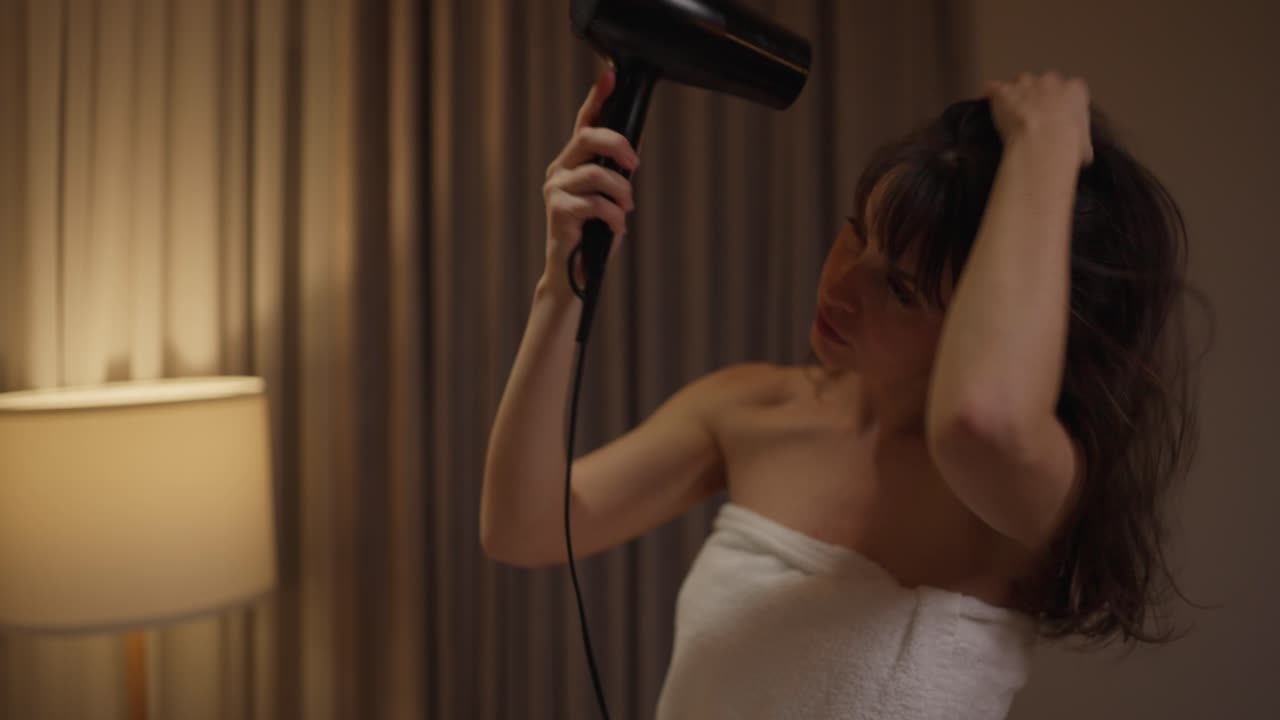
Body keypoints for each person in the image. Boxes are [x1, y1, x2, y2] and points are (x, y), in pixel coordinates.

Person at [481, 68, 1202, 718]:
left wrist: (1045, 141)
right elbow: (523, 526)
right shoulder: (752, 408)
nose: (843, 285)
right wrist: (560, 280)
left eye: (901, 288)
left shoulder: (1025, 495)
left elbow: (983, 420)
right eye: (857, 235)